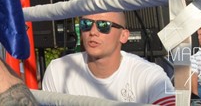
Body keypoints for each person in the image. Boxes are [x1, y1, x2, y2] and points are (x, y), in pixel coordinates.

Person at [40, 12, 176, 105]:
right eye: (86, 24)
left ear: (123, 35)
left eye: (103, 25)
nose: (93, 32)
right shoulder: (58, 70)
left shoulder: (149, 75)